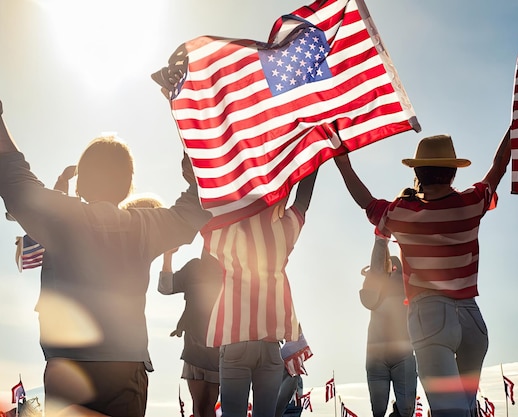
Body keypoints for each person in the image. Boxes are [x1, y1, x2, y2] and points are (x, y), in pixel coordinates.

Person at [0, 99, 214, 417]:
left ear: (82, 181)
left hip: (66, 366)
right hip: (126, 370)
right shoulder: (146, 227)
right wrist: (192, 143)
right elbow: (197, 203)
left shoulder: (61, 217)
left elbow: (14, 178)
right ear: (128, 184)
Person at [334, 130, 511, 417]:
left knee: (449, 412)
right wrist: (514, 127)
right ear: (453, 172)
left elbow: (365, 201)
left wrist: (344, 163)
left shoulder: (402, 213)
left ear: (417, 171)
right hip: (472, 320)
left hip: (430, 317)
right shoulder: (472, 203)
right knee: (466, 410)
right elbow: (498, 166)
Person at [200, 169, 318, 417]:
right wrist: (314, 157)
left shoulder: (228, 233)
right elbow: (302, 203)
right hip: (270, 344)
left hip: (236, 339)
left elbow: (206, 212)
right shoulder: (282, 231)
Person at [158, 247, 223, 417]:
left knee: (200, 406)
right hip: (215, 347)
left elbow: (166, 287)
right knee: (207, 406)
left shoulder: (195, 267)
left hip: (197, 348)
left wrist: (167, 256)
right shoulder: (228, 271)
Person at [360, 234, 417, 417]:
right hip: (377, 355)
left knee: (406, 409)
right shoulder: (376, 285)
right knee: (378, 409)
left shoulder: (409, 285)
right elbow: (376, 270)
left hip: (403, 354)